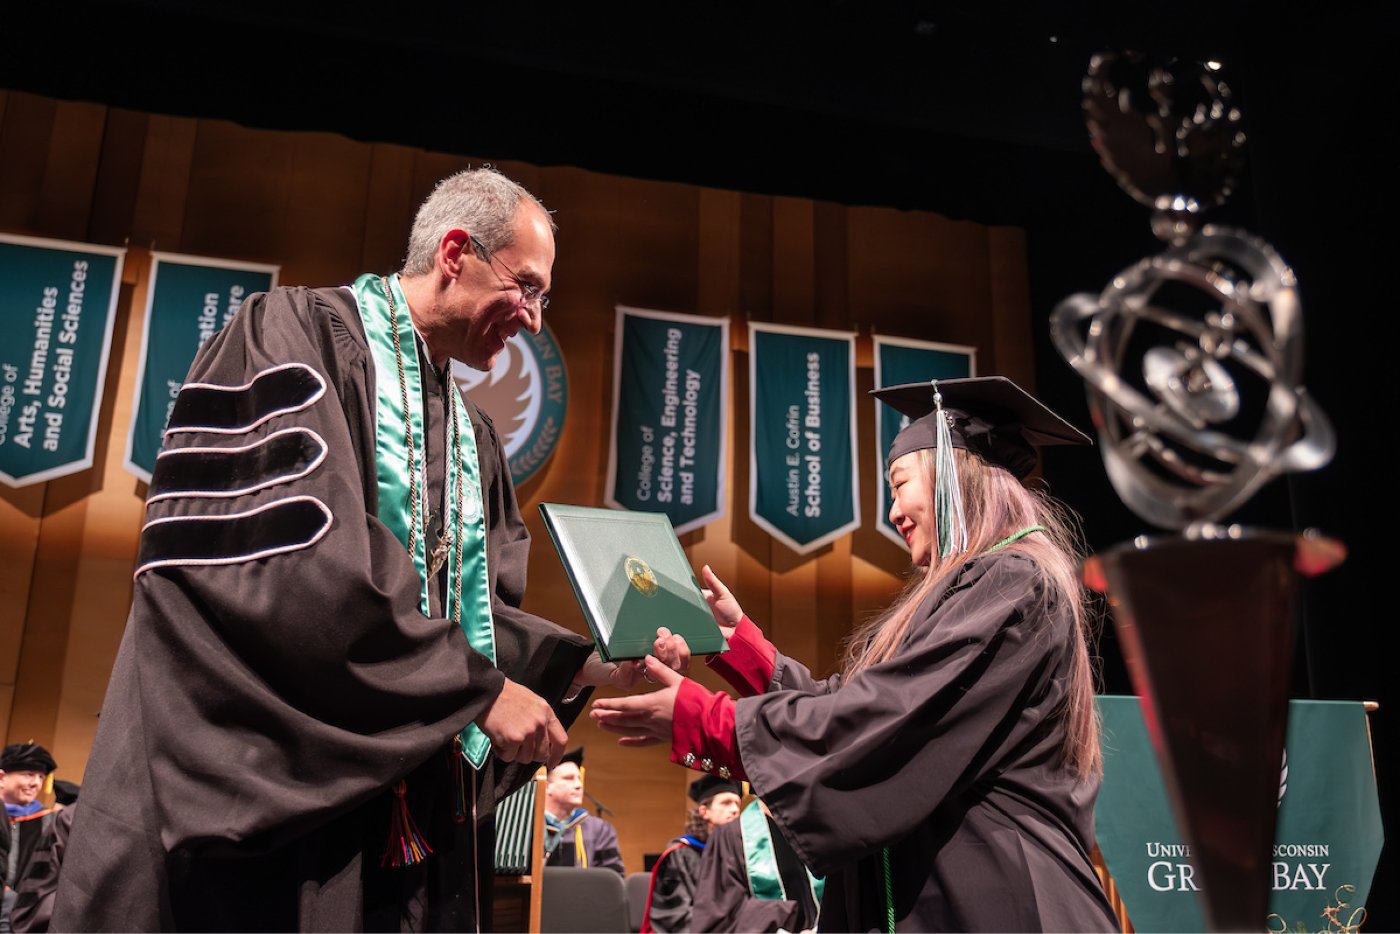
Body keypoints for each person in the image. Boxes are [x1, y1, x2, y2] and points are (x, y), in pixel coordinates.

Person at [51, 167, 644, 932]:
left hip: (400, 817)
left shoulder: (472, 436)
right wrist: (475, 691)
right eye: (525, 286)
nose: (533, 318)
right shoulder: (287, 337)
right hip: (272, 801)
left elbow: (467, 616)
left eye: (543, 297)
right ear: (456, 251)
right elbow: (285, 559)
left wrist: (582, 663)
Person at [595, 376, 1121, 932]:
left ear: (953, 477)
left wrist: (708, 721)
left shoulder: (1011, 580)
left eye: (899, 485)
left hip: (998, 901)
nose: (892, 513)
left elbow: (885, 717)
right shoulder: (989, 584)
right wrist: (740, 646)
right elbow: (858, 704)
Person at [690, 798, 821, 934]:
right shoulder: (730, 836)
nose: (734, 809)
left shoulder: (820, 827)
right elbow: (721, 914)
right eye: (726, 803)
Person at [641, 774, 743, 933]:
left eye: (737, 803)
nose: (735, 810)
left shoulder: (739, 857)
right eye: (726, 803)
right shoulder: (680, 856)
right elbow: (675, 918)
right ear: (704, 811)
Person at [0, 744, 59, 932]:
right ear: (2, 777)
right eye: (28, 774)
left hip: (22, 918)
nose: (36, 784)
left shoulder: (49, 822)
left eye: (41, 777)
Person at [542, 748, 624, 874]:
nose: (579, 785)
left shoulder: (599, 830)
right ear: (547, 787)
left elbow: (612, 880)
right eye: (568, 778)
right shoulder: (527, 825)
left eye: (579, 778)